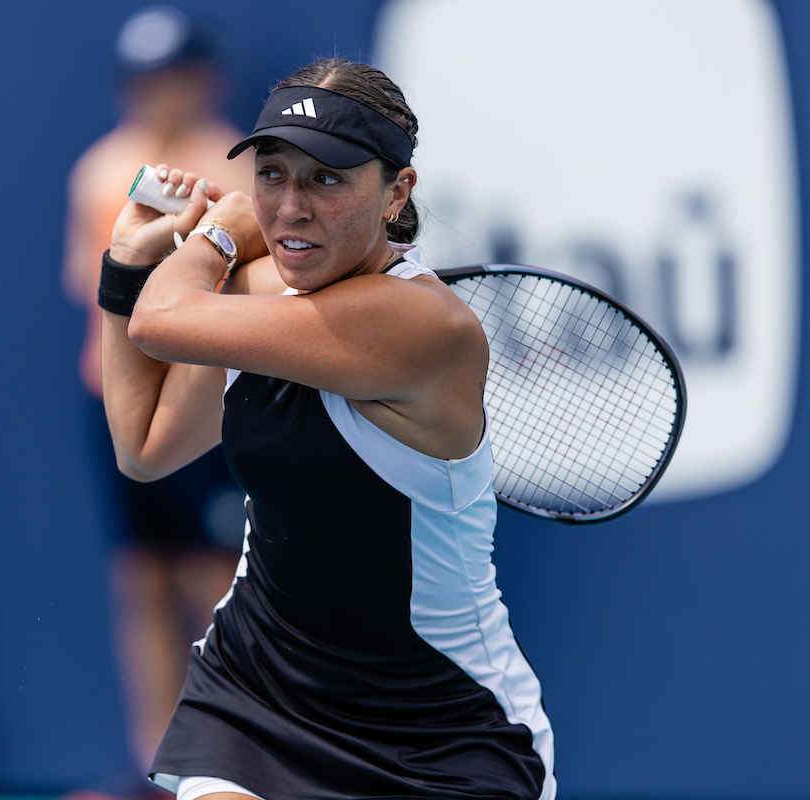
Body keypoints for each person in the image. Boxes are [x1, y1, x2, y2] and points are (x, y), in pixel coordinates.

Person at [97, 58, 555, 800]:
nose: (290, 206)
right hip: (255, 696)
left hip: (441, 730)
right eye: (272, 175)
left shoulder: (423, 325)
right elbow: (144, 448)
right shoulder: (255, 296)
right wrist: (123, 263)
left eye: (327, 179)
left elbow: (162, 318)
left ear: (396, 192)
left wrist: (216, 234)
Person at [61, 6, 252, 787]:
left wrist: (177, 253)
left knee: (215, 579)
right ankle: (156, 767)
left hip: (205, 404)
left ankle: (231, 754)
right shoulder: (100, 172)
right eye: (144, 81)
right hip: (111, 397)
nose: (158, 95)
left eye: (173, 78)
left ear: (205, 81)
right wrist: (147, 252)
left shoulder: (237, 169)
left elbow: (244, 285)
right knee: (141, 577)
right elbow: (89, 280)